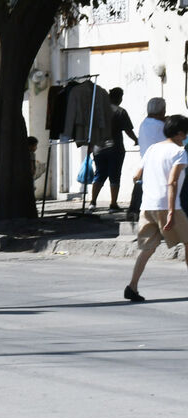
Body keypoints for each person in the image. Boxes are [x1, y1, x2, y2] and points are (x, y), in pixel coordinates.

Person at [125, 114, 188, 302]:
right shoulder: (179, 152)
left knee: (147, 249)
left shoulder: (152, 149)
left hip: (148, 205)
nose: (185, 137)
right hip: (169, 206)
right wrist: (170, 212)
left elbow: (136, 176)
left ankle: (132, 286)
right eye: (185, 133)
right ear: (179, 133)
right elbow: (173, 182)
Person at [90, 87, 138, 212]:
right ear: (119, 98)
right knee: (114, 175)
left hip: (98, 148)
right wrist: (136, 140)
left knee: (99, 174)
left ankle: (92, 202)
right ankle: (113, 203)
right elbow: (128, 130)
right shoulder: (120, 111)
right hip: (115, 148)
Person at [129, 98, 168, 220]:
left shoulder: (145, 123)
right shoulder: (160, 125)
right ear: (161, 110)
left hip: (146, 161)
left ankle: (134, 212)